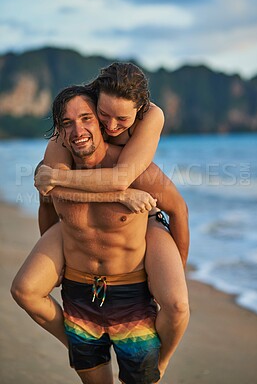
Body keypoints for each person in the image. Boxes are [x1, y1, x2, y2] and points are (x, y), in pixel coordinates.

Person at [14, 63, 190, 376]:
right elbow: (49, 198)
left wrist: (179, 267)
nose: (111, 125)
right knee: (25, 288)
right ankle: (80, 345)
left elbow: (132, 183)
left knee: (177, 305)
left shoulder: (150, 121)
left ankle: (159, 362)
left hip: (139, 213)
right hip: (86, 219)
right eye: (103, 116)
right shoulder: (66, 136)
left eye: (121, 119)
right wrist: (60, 257)